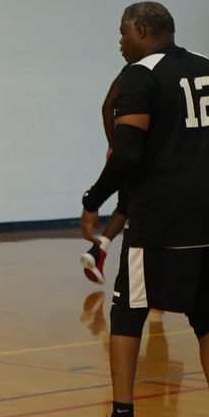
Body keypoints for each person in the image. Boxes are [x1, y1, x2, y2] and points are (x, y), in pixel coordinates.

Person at [72, 2, 209, 417]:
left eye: (123, 33)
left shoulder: (139, 76)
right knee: (208, 315)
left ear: (143, 30)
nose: (120, 42)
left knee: (128, 313)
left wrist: (92, 200)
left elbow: (127, 156)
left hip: (162, 216)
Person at [81, 76, 128, 286]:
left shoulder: (134, 72)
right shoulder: (143, 71)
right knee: (134, 209)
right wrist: (92, 201)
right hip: (144, 154)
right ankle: (149, 290)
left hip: (125, 146)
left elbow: (107, 105)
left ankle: (99, 250)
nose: (121, 43)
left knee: (127, 205)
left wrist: (112, 143)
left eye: (124, 39)